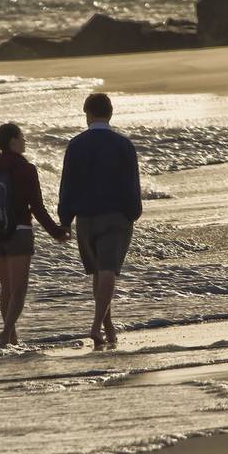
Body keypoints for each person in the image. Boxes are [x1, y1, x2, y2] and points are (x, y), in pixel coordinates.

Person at [0, 122, 70, 346]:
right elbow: (36, 207)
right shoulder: (26, 168)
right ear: (13, 141)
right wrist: (56, 232)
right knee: (19, 290)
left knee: (6, 288)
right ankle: (6, 333)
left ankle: (12, 338)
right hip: (18, 233)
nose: (25, 141)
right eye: (22, 137)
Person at [58, 93, 142, 348]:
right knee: (108, 271)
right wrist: (133, 213)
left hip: (85, 218)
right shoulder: (122, 144)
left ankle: (108, 327)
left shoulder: (76, 144)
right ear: (110, 113)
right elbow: (131, 183)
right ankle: (96, 326)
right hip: (115, 215)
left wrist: (65, 219)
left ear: (88, 114)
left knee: (98, 272)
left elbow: (67, 185)